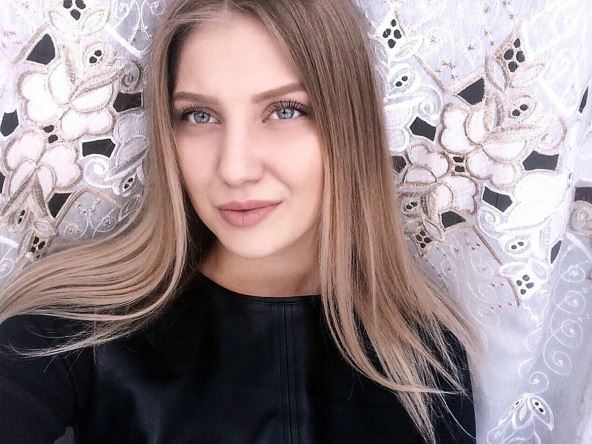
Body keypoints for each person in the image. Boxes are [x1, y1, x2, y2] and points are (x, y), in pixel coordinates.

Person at [0, 0, 477, 443]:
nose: (235, 168)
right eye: (199, 116)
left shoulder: (425, 359)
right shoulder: (77, 331)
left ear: (347, 126)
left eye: (284, 110)